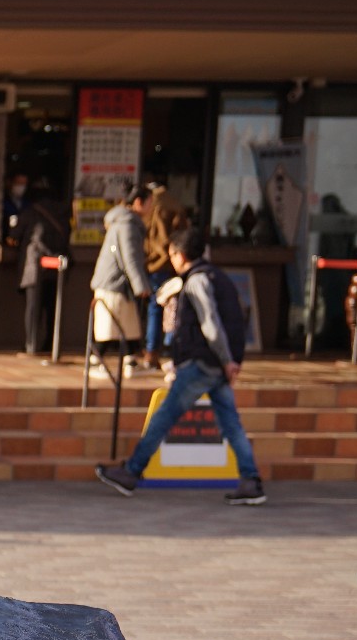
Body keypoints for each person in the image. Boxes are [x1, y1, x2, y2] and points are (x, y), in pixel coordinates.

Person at [95, 227, 266, 506]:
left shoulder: (197, 281)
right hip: (216, 365)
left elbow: (210, 324)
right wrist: (230, 361)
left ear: (180, 255)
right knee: (230, 423)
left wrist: (226, 360)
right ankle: (251, 480)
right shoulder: (218, 277)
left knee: (164, 416)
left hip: (201, 363)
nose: (171, 260)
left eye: (172, 254)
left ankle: (131, 472)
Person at [88, 183, 151, 368]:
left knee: (126, 324)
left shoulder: (122, 221)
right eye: (149, 203)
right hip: (114, 282)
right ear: (138, 202)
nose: (151, 208)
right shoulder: (127, 225)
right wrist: (141, 286)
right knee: (112, 324)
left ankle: (129, 358)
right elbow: (130, 258)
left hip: (113, 281)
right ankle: (98, 357)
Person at [16, 181, 69, 358]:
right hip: (57, 269)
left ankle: (31, 345)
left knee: (33, 308)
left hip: (35, 268)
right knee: (53, 308)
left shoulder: (31, 212)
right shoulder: (63, 212)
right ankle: (51, 345)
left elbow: (14, 235)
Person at [139, 181, 187, 367]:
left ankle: (149, 350)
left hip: (147, 264)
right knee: (169, 307)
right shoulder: (173, 204)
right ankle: (165, 347)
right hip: (168, 263)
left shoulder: (145, 206)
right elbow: (182, 235)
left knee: (152, 307)